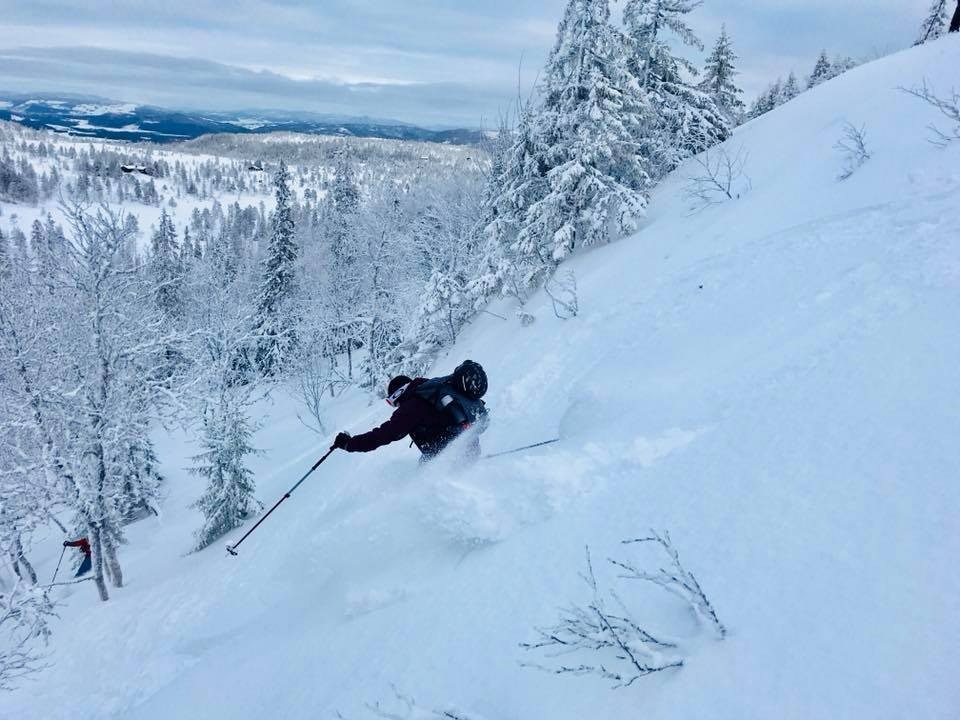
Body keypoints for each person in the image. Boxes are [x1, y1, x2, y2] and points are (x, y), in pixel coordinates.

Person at [334, 373, 486, 461]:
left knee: (419, 483)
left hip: (451, 455)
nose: (396, 406)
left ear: (398, 394)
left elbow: (384, 435)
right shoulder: (429, 390)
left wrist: (349, 444)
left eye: (393, 402)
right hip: (467, 446)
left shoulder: (412, 405)